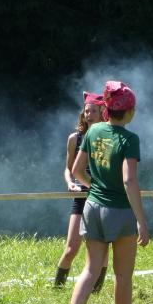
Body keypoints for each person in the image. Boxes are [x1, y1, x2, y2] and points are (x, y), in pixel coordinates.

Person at [62, 81, 150, 304]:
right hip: (120, 211)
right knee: (122, 275)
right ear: (130, 112)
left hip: (92, 208)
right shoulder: (129, 139)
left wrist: (95, 186)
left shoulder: (94, 130)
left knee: (90, 270)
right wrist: (142, 221)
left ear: (106, 109)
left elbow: (77, 171)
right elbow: (129, 181)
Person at [53, 92, 110, 290]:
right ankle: (58, 287)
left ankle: (96, 289)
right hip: (80, 196)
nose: (89, 115)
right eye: (87, 111)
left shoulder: (108, 138)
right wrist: (70, 182)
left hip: (102, 196)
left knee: (101, 248)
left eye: (94, 111)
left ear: (103, 113)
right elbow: (69, 169)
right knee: (71, 247)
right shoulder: (74, 138)